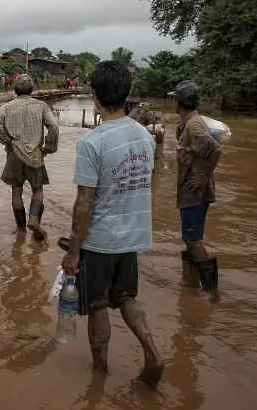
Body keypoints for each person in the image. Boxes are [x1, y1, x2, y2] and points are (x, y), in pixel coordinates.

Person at [61, 60, 164, 387]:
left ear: (94, 96)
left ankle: (99, 376)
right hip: (133, 237)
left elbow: (84, 203)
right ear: (127, 95)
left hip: (101, 240)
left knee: (98, 304)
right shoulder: (145, 137)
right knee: (127, 298)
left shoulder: (93, 142)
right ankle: (152, 351)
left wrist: (74, 252)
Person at [0, 76, 59, 240]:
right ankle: (34, 219)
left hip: (14, 155)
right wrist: (48, 148)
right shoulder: (41, 106)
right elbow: (54, 127)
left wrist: (6, 140)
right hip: (35, 155)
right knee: (38, 190)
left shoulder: (7, 107)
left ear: (15, 90)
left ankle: (21, 230)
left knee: (16, 192)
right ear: (31, 90)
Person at [174, 80, 222, 298]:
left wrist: (203, 175)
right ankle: (191, 287)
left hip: (195, 190)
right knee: (190, 238)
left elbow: (215, 149)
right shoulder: (190, 122)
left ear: (178, 103)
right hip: (191, 190)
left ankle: (211, 292)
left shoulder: (193, 124)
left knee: (192, 240)